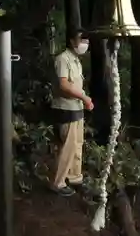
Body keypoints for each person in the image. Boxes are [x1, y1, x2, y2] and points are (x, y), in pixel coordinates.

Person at [50, 27, 94, 196]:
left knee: (77, 145)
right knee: (67, 147)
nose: (84, 44)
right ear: (71, 41)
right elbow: (64, 85)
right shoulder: (63, 59)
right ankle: (58, 182)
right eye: (81, 40)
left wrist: (84, 100)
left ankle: (75, 178)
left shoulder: (76, 60)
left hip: (76, 108)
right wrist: (85, 98)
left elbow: (75, 86)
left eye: (87, 41)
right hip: (65, 108)